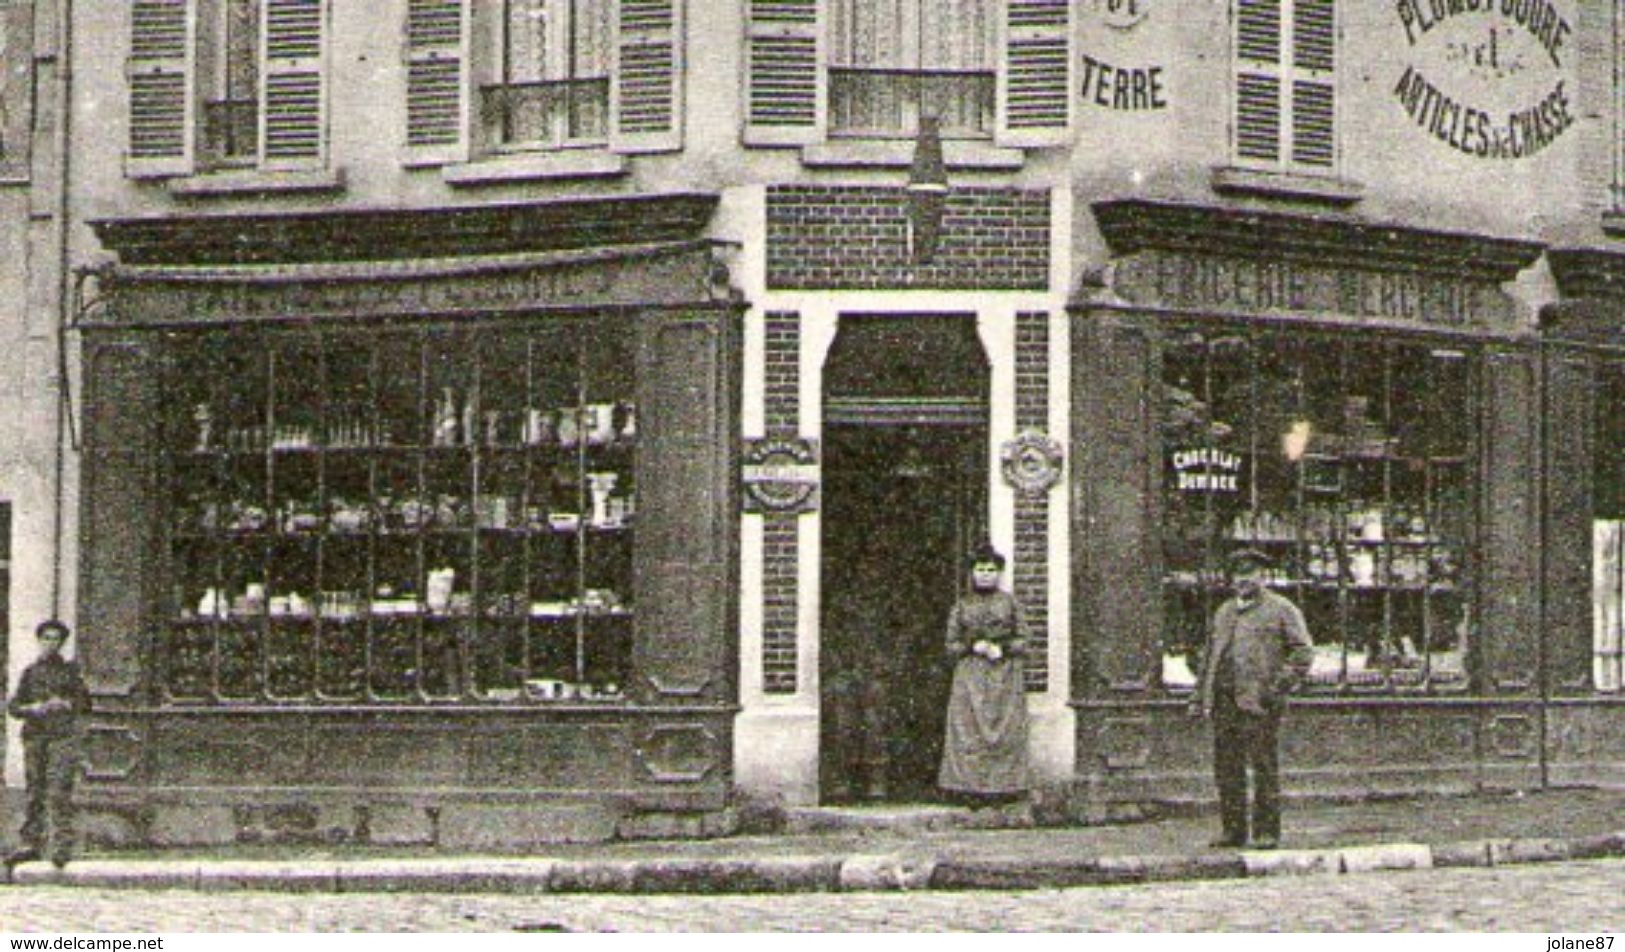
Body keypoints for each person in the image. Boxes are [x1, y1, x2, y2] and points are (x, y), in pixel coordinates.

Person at [1190, 549, 1313, 850]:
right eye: (1238, 574)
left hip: (1260, 701)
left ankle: (1266, 832)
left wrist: (1277, 687)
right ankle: (1233, 831)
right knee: (1227, 768)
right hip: (1224, 700)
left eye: (1251, 573)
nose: (1244, 580)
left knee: (1263, 767)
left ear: (1262, 576)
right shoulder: (1224, 612)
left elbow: (1303, 653)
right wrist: (1199, 696)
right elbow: (1210, 657)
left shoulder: (1281, 609)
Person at [938, 543, 1029, 805]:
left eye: (991, 570)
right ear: (972, 573)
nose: (985, 574)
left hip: (1004, 675)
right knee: (968, 730)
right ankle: (969, 790)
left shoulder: (1010, 604)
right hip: (970, 676)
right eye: (980, 569)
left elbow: (1024, 639)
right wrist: (971, 646)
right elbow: (950, 644)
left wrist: (1003, 648)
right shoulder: (962, 605)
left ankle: (1003, 789)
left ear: (999, 573)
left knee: (1003, 729)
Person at [6, 620, 90, 871]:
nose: (50, 643)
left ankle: (62, 846)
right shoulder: (30, 673)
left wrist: (64, 704)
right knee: (34, 791)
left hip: (61, 738)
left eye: (55, 639)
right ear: (39, 640)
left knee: (59, 790)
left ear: (62, 643)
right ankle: (30, 843)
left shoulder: (71, 672)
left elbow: (84, 703)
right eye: (46, 638)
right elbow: (14, 707)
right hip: (35, 737)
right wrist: (32, 708)